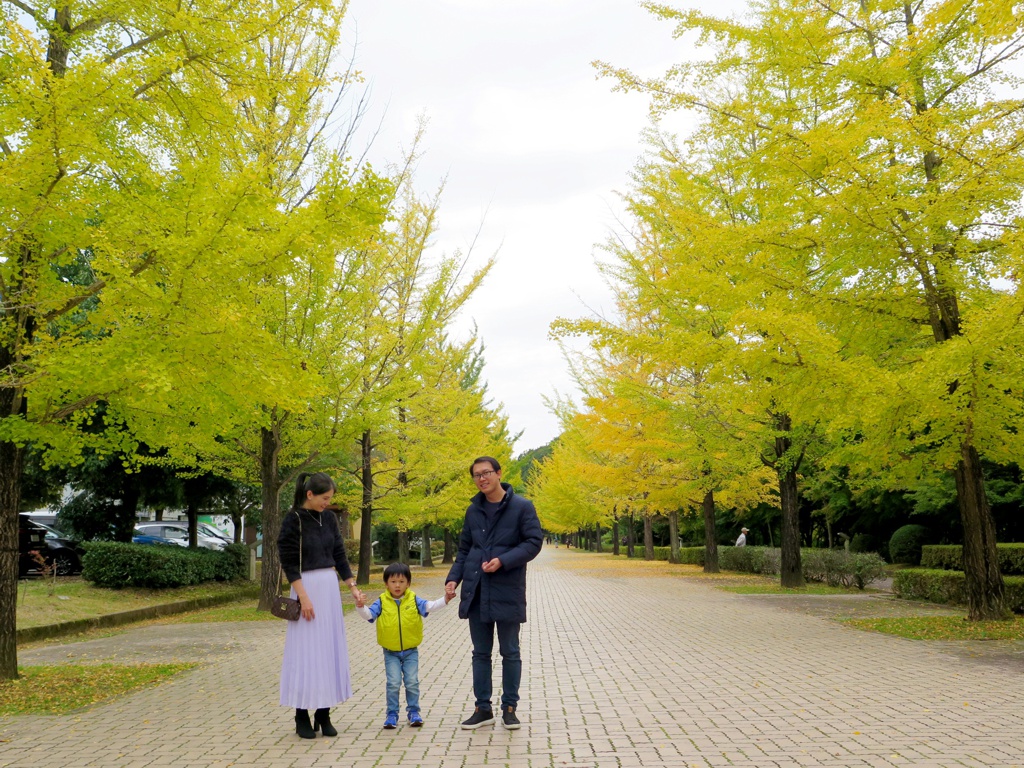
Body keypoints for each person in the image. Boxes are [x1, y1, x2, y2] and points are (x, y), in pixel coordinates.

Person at [445, 456, 543, 731]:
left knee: (510, 651)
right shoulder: (472, 511)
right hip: (477, 590)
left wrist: (504, 560)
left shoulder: (522, 507)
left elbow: (534, 542)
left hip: (507, 588)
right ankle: (482, 708)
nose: (482, 479)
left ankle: (510, 708)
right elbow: (465, 550)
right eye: (476, 475)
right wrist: (454, 578)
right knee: (480, 653)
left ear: (499, 473)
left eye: (486, 473)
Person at [277, 472, 364, 739]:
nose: (328, 503)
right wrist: (303, 596)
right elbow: (289, 562)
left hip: (328, 588)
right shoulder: (293, 520)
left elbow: (339, 553)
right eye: (324, 498)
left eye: (330, 499)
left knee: (328, 650)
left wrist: (352, 586)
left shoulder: (329, 518)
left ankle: (324, 713)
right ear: (310, 494)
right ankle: (301, 714)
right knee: (305, 652)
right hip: (305, 587)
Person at [355, 562, 452, 729]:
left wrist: (445, 599)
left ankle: (414, 712)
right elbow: (369, 615)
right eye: (393, 582)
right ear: (386, 584)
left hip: (410, 651)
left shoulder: (414, 599)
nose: (397, 585)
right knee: (393, 683)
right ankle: (391, 714)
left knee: (412, 682)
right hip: (390, 652)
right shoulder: (382, 601)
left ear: (408, 583)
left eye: (401, 581)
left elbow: (430, 606)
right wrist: (359, 606)